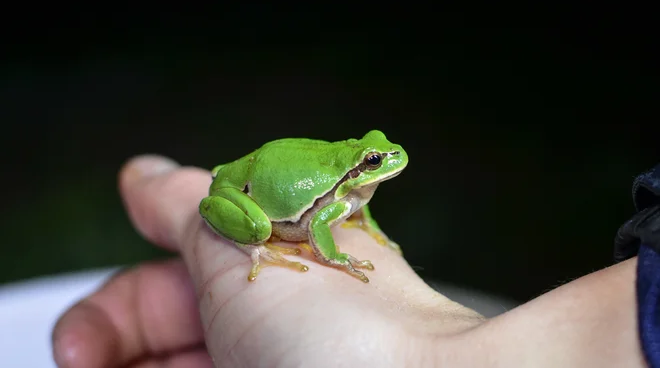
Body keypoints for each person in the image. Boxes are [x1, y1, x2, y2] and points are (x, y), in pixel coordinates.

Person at [51, 155, 646, 367]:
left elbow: (356, 209)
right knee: (268, 226)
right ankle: (255, 242)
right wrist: (338, 262)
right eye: (371, 164)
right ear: (355, 169)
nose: (385, 167)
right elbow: (318, 229)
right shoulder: (338, 194)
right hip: (256, 201)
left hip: (276, 173)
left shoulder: (354, 191)